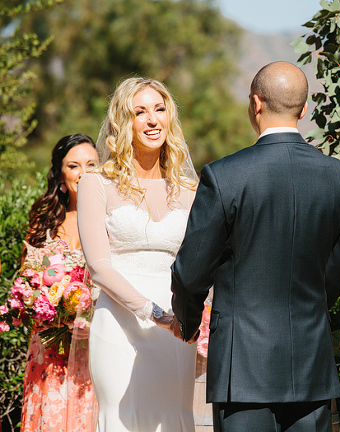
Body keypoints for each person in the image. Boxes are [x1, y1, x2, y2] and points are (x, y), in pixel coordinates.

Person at [170, 61, 340, 432]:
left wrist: (188, 320)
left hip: (243, 368)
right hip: (310, 363)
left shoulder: (225, 175)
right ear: (304, 110)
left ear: (255, 103)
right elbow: (333, 277)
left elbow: (191, 272)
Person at [79, 77, 200, 431]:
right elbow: (99, 268)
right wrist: (156, 313)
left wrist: (190, 314)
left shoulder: (191, 190)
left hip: (178, 330)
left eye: (160, 110)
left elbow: (200, 262)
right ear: (122, 121)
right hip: (120, 324)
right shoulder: (96, 184)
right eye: (140, 112)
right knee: (122, 419)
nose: (152, 120)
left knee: (174, 417)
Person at [18, 134, 99, 431]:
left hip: (93, 346)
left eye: (92, 164)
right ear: (62, 176)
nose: (84, 172)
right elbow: (25, 283)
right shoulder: (44, 224)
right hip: (49, 349)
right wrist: (47, 305)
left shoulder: (111, 222)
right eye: (74, 166)